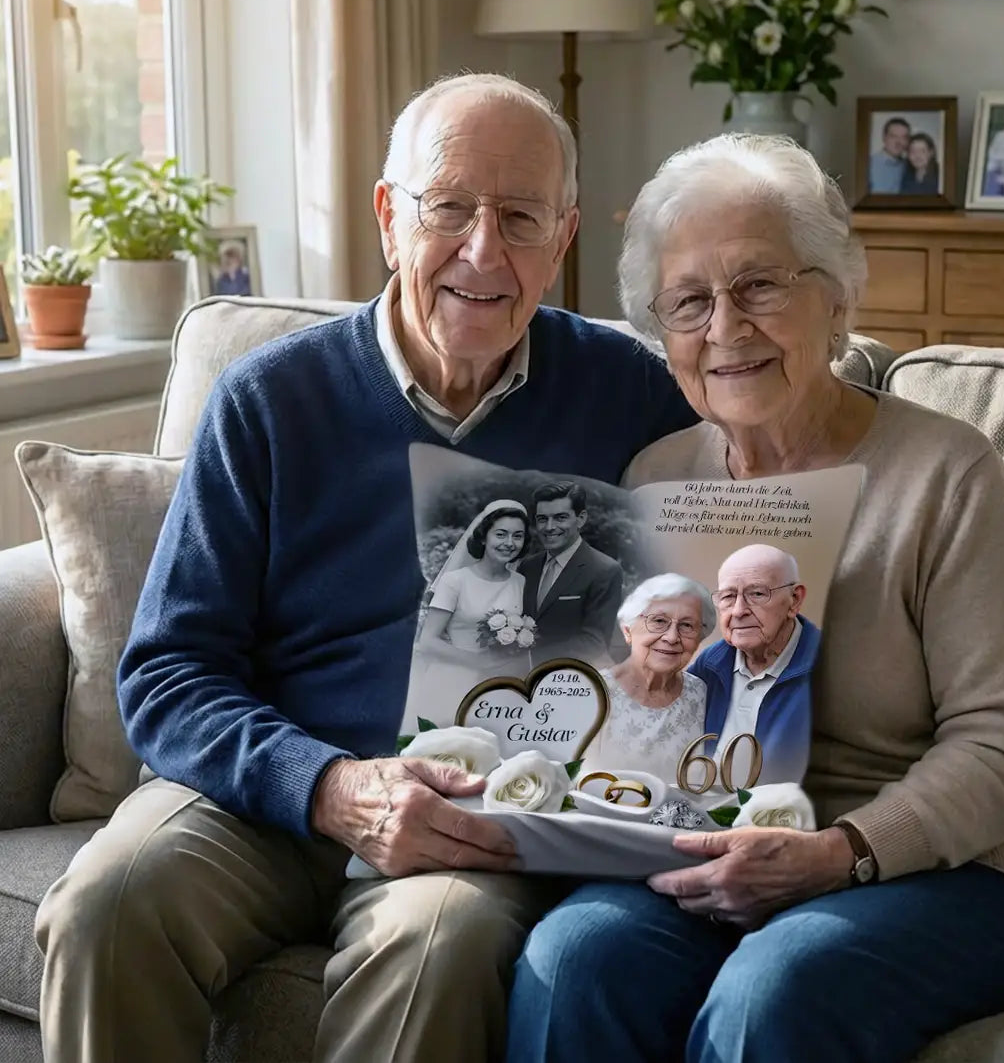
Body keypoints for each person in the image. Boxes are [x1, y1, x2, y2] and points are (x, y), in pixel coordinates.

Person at [33, 73, 699, 1063]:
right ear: (390, 217)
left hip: (474, 809)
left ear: (562, 243)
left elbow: (758, 517)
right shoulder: (269, 399)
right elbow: (167, 675)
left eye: (519, 218)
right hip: (262, 792)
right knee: (108, 899)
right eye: (450, 208)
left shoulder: (631, 396)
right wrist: (330, 787)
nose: (483, 250)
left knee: (440, 943)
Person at [506, 134, 1004, 1063]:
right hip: (709, 850)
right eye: (688, 301)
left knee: (773, 988)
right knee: (574, 958)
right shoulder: (656, 478)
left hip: (951, 871)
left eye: (759, 286)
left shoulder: (944, 470)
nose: (724, 327)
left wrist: (838, 851)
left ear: (837, 297)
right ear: (660, 335)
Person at [692, 544, 819, 787]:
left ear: (794, 600)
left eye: (757, 594)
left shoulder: (832, 671)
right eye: (728, 596)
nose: (739, 611)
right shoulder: (708, 665)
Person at [580, 574, 714, 785]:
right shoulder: (592, 693)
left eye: (687, 626)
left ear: (699, 639)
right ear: (628, 630)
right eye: (659, 621)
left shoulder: (700, 693)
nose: (672, 637)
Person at [410, 500, 530, 717]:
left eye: (517, 536)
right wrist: (480, 662)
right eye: (501, 534)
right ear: (484, 537)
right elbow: (428, 642)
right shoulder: (455, 581)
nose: (509, 543)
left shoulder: (520, 582)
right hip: (450, 681)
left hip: (497, 688)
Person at [518, 481, 624, 668]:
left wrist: (526, 661)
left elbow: (593, 642)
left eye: (560, 518)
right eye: (542, 519)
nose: (549, 527)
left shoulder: (604, 570)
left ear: (581, 518)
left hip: (568, 678)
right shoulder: (528, 566)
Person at [867, 117, 909, 193]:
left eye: (903, 137)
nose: (898, 142)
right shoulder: (868, 164)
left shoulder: (909, 165)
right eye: (893, 136)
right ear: (884, 137)